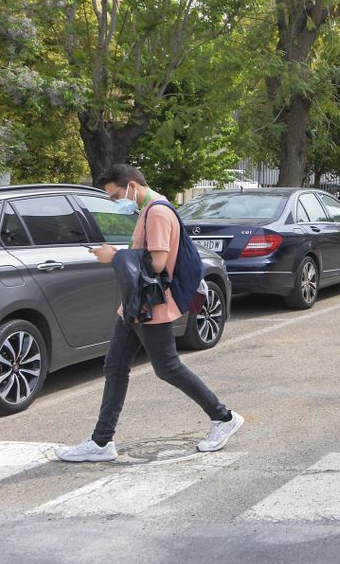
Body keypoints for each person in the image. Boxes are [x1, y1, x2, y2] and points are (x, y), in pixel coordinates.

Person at [56, 165, 243, 463]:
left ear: (131, 185)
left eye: (117, 195)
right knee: (115, 366)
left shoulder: (156, 212)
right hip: (136, 303)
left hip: (150, 305)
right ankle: (101, 441)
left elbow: (156, 263)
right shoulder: (150, 207)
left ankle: (224, 417)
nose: (117, 202)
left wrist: (114, 256)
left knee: (167, 367)